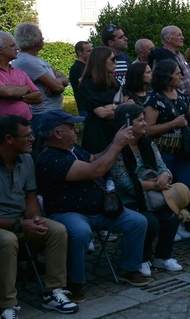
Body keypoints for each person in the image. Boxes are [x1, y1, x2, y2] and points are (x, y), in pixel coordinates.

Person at [35, 109, 149, 301]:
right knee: (79, 232)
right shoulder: (50, 159)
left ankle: (128, 269)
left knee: (138, 221)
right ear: (57, 133)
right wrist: (119, 144)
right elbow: (94, 170)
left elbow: (94, 158)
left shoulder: (73, 149)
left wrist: (115, 143)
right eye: (71, 127)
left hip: (99, 209)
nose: (76, 130)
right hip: (68, 213)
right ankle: (74, 282)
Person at [0, 115, 78, 319]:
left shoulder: (25, 159)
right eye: (27, 136)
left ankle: (53, 292)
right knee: (6, 240)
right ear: (9, 139)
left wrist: (35, 218)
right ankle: (6, 306)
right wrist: (18, 225)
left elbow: (30, 197)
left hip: (19, 220)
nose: (33, 139)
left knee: (56, 230)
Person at [110, 104, 182, 275]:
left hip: (153, 195)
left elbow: (163, 167)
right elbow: (125, 183)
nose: (144, 124)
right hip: (129, 200)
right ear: (126, 124)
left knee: (173, 214)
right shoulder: (116, 148)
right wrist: (159, 183)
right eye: (140, 120)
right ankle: (142, 259)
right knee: (151, 222)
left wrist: (164, 175)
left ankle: (163, 257)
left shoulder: (147, 144)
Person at [144, 59, 190, 200]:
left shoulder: (181, 96)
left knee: (186, 188)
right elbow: (147, 130)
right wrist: (173, 124)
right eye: (177, 74)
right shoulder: (154, 99)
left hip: (182, 153)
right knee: (165, 190)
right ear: (167, 77)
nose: (181, 76)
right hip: (162, 155)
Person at [12, 23, 68, 125]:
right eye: (41, 37)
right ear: (35, 41)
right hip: (42, 115)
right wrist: (56, 83)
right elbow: (58, 88)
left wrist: (57, 81)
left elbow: (65, 78)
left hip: (51, 112)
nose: (43, 39)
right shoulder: (26, 61)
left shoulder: (37, 59)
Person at [0, 32, 41, 119]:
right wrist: (26, 88)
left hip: (27, 125)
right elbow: (8, 92)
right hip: (3, 128)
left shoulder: (19, 72)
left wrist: (19, 96)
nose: (17, 48)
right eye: (12, 46)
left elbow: (39, 97)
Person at [77, 47, 121, 154]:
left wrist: (112, 107)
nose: (116, 62)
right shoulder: (87, 83)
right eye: (112, 59)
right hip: (98, 134)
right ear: (101, 61)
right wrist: (118, 107)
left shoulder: (113, 81)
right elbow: (102, 113)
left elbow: (128, 104)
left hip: (115, 130)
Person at [148, 26, 190, 103]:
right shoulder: (160, 56)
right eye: (179, 35)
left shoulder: (179, 54)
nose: (182, 37)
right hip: (174, 103)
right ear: (168, 39)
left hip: (188, 101)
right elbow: (158, 83)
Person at [69, 41, 92, 118]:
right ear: (80, 52)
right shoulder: (76, 68)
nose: (91, 53)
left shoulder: (88, 66)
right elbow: (89, 84)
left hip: (93, 105)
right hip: (85, 107)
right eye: (88, 51)